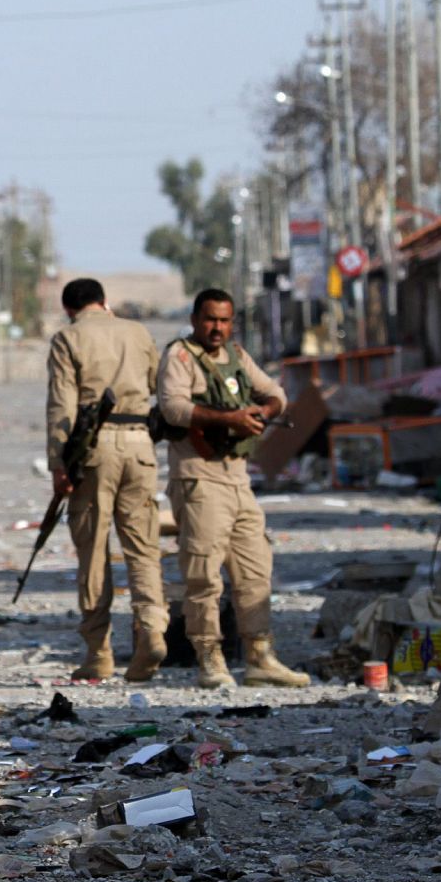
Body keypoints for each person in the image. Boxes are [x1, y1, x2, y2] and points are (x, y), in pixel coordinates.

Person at [157, 288, 310, 689]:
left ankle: (260, 656)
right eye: (210, 320)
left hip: (237, 477)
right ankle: (210, 657)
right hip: (199, 476)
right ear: (195, 320)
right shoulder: (181, 357)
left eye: (224, 321)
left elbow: (276, 394)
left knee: (255, 568)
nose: (217, 328)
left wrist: (260, 412)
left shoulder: (238, 357)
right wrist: (228, 419)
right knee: (204, 572)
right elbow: (172, 407)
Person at [46, 278, 168, 682]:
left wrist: (59, 466)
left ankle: (99, 652)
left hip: (94, 450)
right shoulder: (138, 331)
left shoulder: (68, 338)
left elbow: (62, 407)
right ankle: (152, 629)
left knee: (94, 550)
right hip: (139, 444)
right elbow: (156, 386)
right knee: (143, 547)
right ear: (105, 302)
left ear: (70, 309)